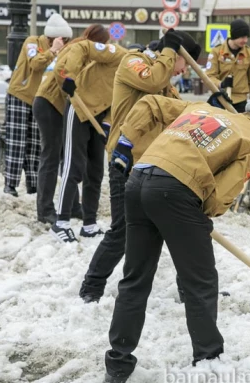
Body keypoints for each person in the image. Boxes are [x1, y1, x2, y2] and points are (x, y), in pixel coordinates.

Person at [101, 88, 250, 383]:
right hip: (175, 190)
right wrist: (199, 217)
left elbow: (151, 102)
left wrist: (127, 140)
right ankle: (209, 359)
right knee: (201, 281)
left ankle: (117, 364)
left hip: (138, 180)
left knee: (135, 278)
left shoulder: (200, 109)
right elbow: (219, 197)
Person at [78, 29, 202, 303]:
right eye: (186, 64)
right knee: (122, 231)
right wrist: (171, 51)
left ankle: (190, 290)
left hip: (156, 166)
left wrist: (210, 110)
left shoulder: (166, 83)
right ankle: (91, 287)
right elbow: (152, 80)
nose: (183, 71)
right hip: (126, 161)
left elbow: (180, 114)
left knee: (177, 229)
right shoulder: (134, 63)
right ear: (177, 56)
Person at [49, 40, 128, 242]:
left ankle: (89, 224)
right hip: (79, 107)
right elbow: (82, 47)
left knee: (95, 172)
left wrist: (108, 125)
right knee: (74, 166)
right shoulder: (118, 54)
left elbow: (120, 104)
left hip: (100, 118)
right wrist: (70, 76)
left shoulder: (140, 80)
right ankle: (61, 222)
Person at [34, 24, 110, 225]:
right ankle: (45, 210)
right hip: (49, 103)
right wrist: (69, 86)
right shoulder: (78, 48)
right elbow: (63, 72)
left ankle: (74, 206)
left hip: (61, 107)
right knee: (51, 157)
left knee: (68, 158)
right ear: (99, 42)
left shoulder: (87, 51)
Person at [3, 13, 72, 197]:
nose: (64, 43)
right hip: (20, 95)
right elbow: (35, 64)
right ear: (53, 37)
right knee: (17, 141)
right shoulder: (32, 42)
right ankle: (10, 183)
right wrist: (53, 51)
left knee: (35, 143)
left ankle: (33, 184)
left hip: (40, 100)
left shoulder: (60, 51)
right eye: (62, 39)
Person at [206, 19, 250, 113]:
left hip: (240, 102)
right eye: (242, 37)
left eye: (247, 37)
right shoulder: (217, 52)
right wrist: (221, 84)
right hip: (221, 99)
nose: (245, 40)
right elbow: (209, 77)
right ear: (234, 36)